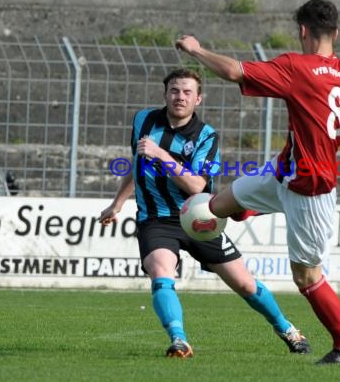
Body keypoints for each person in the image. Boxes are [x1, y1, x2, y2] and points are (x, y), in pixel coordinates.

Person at [176, 0, 340, 365]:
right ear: (336, 33)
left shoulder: (297, 67)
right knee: (217, 206)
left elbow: (235, 71)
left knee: (307, 277)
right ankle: (252, 209)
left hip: (310, 187)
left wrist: (197, 49)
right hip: (284, 171)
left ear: (302, 31)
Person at [99, 68, 310, 359]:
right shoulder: (143, 120)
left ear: (198, 99)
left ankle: (287, 329)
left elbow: (197, 184)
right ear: (165, 94)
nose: (180, 97)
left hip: (198, 217)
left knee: (245, 284)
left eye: (187, 92)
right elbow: (138, 163)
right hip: (156, 218)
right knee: (161, 271)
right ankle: (179, 340)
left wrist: (162, 155)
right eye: (174, 90)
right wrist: (118, 203)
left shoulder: (206, 136)